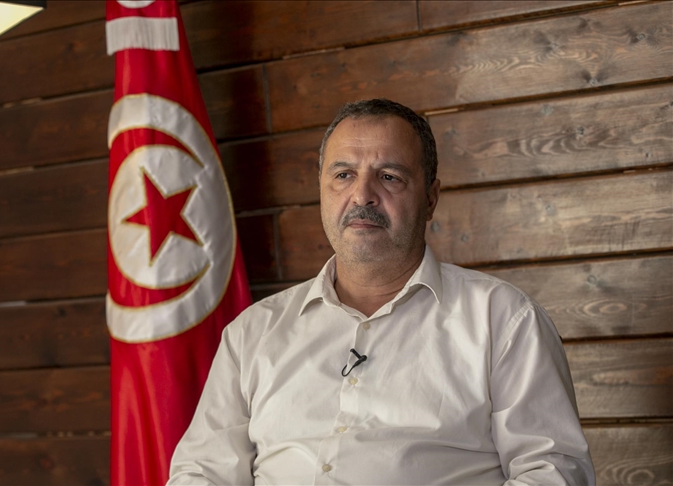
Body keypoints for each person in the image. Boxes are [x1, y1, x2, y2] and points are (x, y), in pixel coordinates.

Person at [167, 99, 595, 485]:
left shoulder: (503, 320)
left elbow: (554, 473)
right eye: (343, 175)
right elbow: (200, 473)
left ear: (430, 198)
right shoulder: (253, 332)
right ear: (322, 190)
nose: (362, 195)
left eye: (389, 177)